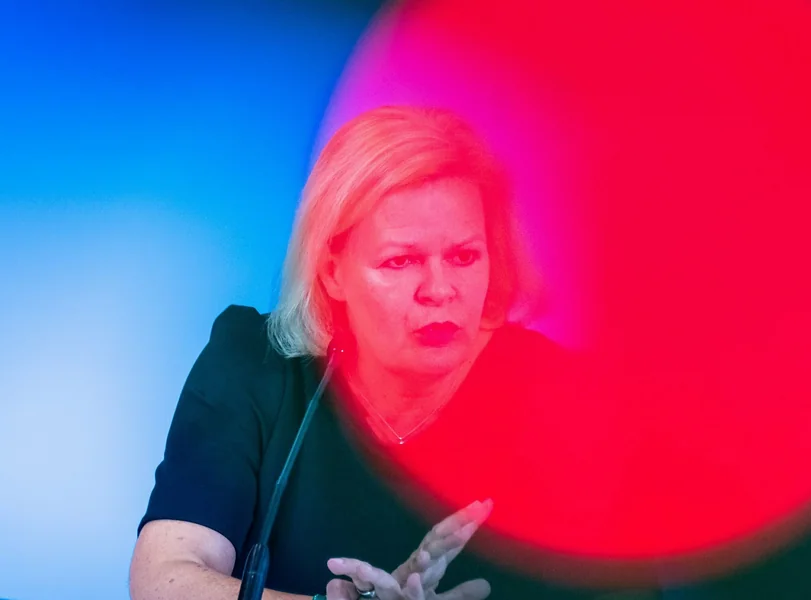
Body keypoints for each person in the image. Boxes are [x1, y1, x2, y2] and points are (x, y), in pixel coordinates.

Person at [129, 106, 633, 600]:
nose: (439, 290)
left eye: (464, 256)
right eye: (401, 261)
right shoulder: (253, 362)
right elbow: (164, 577)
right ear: (332, 271)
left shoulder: (566, 397)